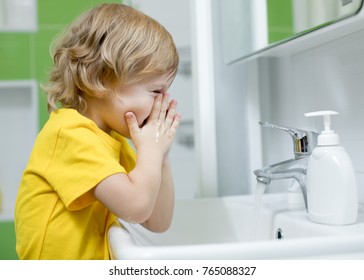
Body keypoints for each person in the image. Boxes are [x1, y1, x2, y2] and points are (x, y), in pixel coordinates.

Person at [14, 3, 180, 260]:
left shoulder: (114, 142)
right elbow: (136, 208)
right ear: (101, 80)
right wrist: (151, 150)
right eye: (155, 91)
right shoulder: (70, 134)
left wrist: (161, 158)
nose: (163, 102)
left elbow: (156, 221)